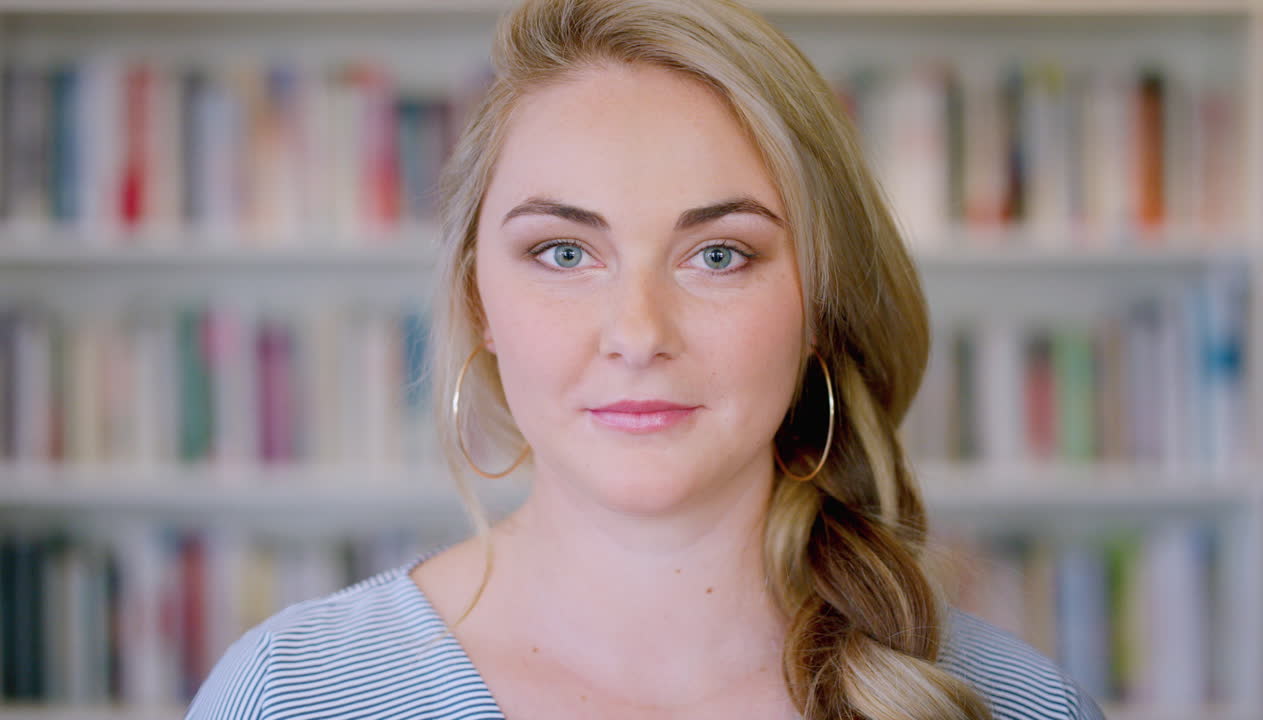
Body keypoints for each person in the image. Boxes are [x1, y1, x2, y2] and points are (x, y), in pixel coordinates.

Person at [186, 0, 1107, 718]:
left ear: (819, 307)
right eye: (563, 252)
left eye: (719, 255)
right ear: (480, 304)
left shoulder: (1011, 704)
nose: (637, 332)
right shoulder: (290, 697)